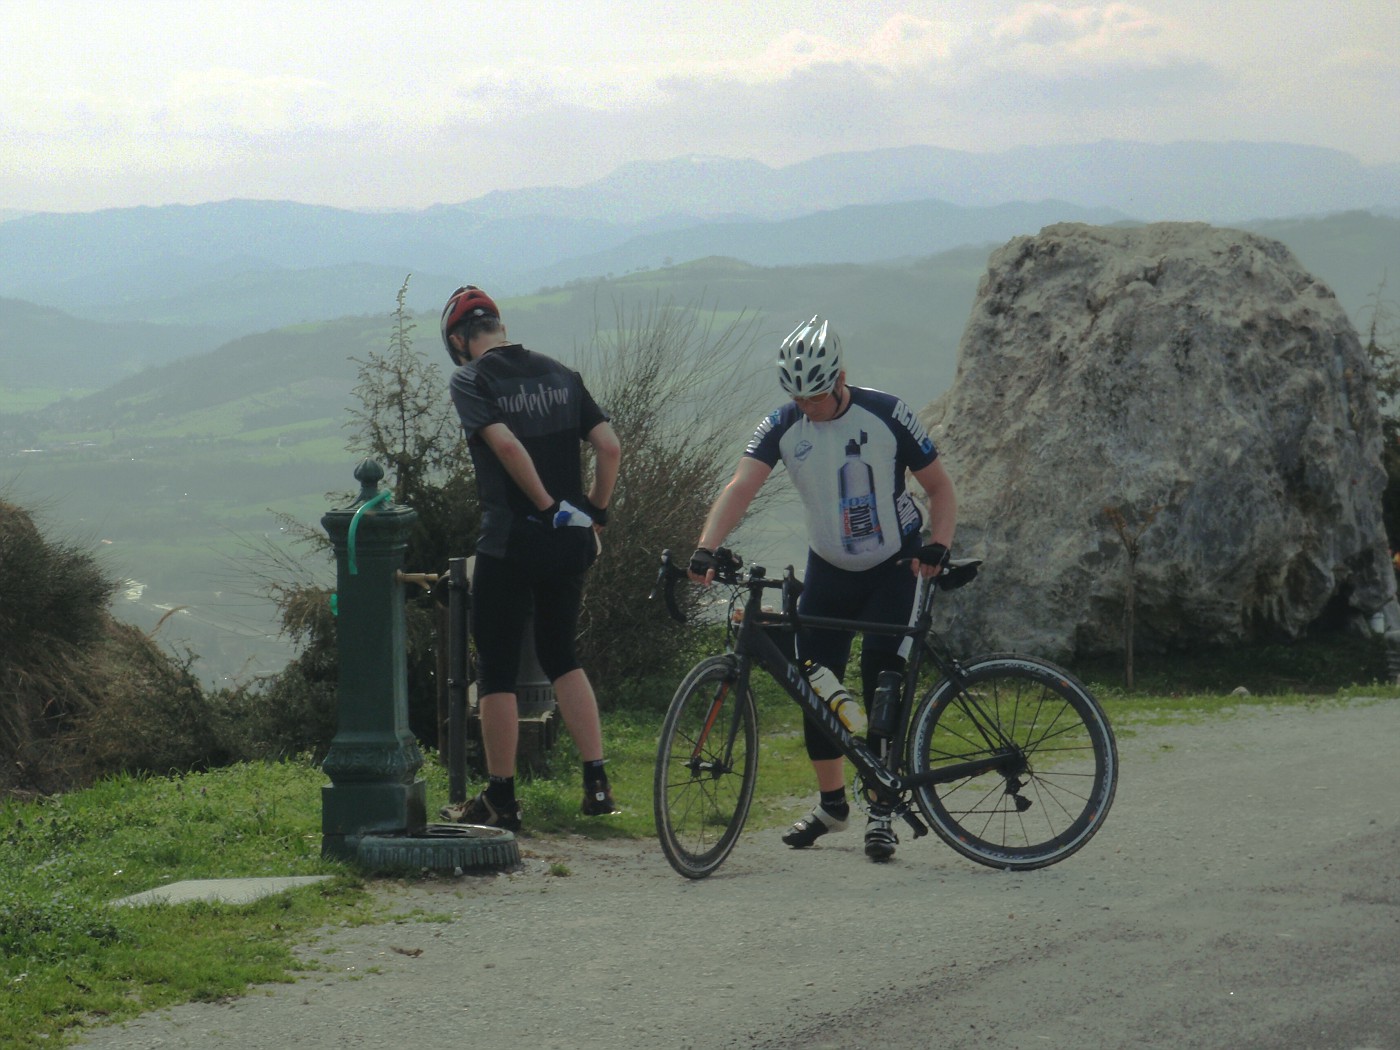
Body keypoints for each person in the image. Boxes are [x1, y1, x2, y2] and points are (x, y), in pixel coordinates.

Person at [689, 315, 956, 861]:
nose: (808, 406)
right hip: (830, 569)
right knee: (817, 692)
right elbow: (741, 486)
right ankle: (833, 805)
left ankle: (881, 810)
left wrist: (940, 544)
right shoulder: (784, 423)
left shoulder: (886, 413)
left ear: (839, 378)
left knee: (881, 687)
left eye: (816, 395)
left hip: (893, 566)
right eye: (799, 397)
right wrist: (706, 546)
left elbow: (940, 487)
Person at [438, 285, 622, 831]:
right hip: (568, 543)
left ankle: (502, 799)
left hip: (509, 540)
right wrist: (593, 514)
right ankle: (596, 784)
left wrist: (543, 506)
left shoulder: (471, 380)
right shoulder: (562, 374)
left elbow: (508, 448)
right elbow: (609, 446)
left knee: (496, 670)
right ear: (499, 325)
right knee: (562, 654)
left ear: (457, 340)